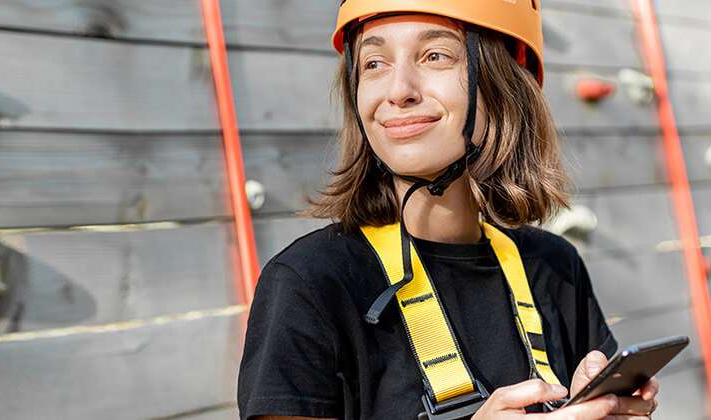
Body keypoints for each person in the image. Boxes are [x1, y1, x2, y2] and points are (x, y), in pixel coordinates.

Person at [237, 1, 660, 419]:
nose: (398, 91)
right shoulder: (309, 284)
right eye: (374, 63)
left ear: (504, 83)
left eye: (435, 55)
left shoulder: (552, 266)